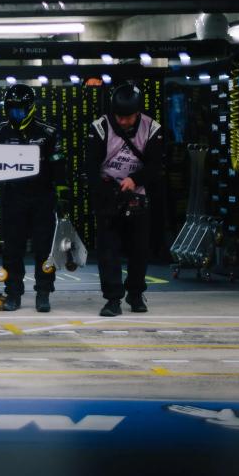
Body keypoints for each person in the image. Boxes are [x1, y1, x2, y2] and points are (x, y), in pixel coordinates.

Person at [86, 82, 163, 317]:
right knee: (108, 250)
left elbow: (155, 164)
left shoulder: (152, 128)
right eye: (118, 116)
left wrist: (135, 179)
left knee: (139, 249)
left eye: (128, 117)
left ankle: (136, 293)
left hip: (137, 195)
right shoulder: (100, 127)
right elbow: (90, 166)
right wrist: (106, 190)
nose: (122, 122)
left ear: (138, 113)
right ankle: (112, 299)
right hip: (108, 194)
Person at [0, 84, 69, 312]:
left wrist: (63, 196)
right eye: (11, 108)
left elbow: (59, 166)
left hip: (42, 198)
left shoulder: (48, 132)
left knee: (44, 248)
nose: (16, 113)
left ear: (31, 107)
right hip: (12, 197)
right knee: (12, 248)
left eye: (20, 108)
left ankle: (44, 291)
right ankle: (13, 292)